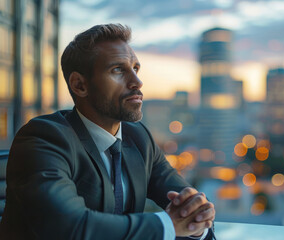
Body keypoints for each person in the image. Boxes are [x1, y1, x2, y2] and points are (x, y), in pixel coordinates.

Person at [0, 23, 216, 240]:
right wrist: (167, 225)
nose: (137, 82)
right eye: (118, 70)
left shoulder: (139, 138)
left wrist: (198, 218)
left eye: (135, 69)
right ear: (79, 85)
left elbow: (191, 206)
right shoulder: (43, 139)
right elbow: (70, 227)